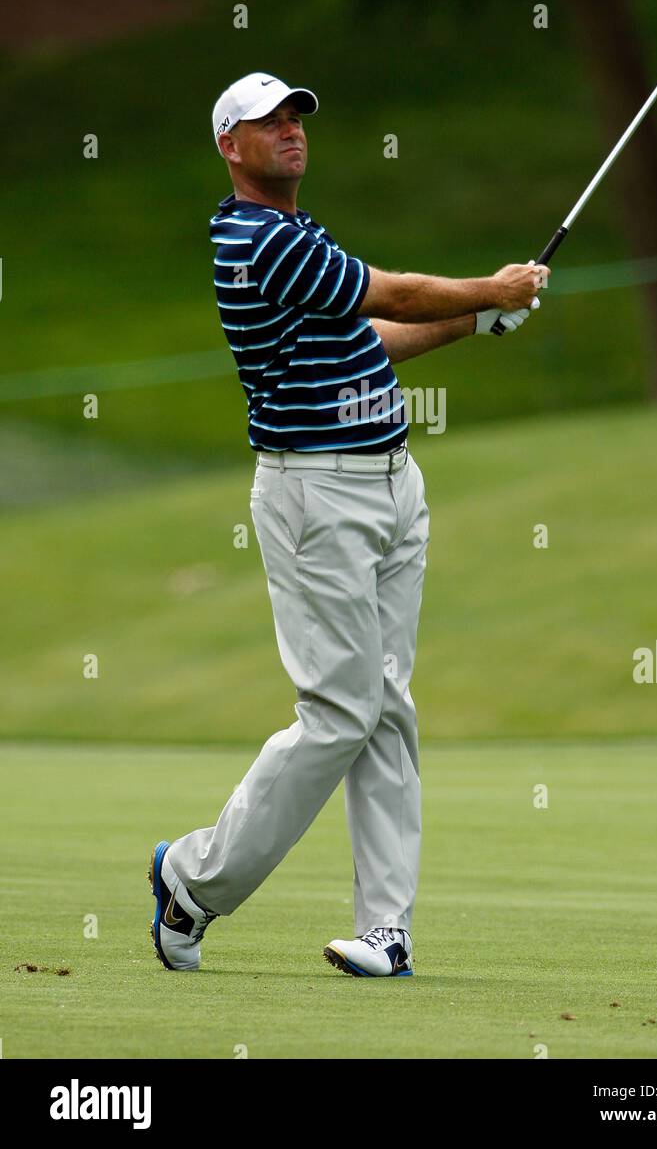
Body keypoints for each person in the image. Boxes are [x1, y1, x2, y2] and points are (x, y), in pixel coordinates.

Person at [148, 72, 547, 977]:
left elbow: (374, 342)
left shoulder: (297, 232)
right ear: (230, 147)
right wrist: (490, 283)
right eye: (267, 122)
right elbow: (394, 296)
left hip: (392, 486)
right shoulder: (254, 237)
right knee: (339, 712)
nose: (289, 131)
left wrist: (479, 316)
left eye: (296, 118)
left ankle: (384, 929)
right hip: (315, 498)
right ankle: (192, 879)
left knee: (386, 708)